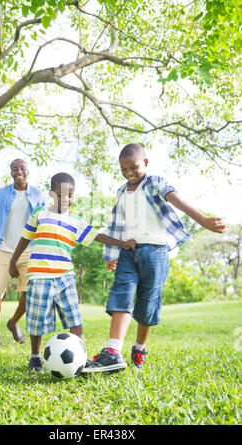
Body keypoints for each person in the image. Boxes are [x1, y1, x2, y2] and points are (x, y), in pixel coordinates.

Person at [83, 143, 226, 373]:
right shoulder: (121, 192)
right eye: (123, 170)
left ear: (145, 164)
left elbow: (177, 200)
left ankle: (139, 348)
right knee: (122, 293)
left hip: (156, 252)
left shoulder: (156, 182)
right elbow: (115, 225)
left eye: (134, 167)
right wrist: (111, 255)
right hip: (129, 251)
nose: (129, 173)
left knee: (148, 303)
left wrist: (202, 220)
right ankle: (112, 351)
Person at [9, 172, 136, 373]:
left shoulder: (76, 221)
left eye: (71, 195)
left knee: (74, 319)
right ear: (51, 194)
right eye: (61, 195)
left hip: (65, 277)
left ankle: (81, 359)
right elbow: (25, 238)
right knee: (37, 321)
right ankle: (35, 357)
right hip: (39, 276)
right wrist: (13, 260)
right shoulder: (40, 214)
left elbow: (98, 236)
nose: (67, 199)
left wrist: (122, 244)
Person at [0, 159, 46, 346]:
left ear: (28, 171)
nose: (19, 172)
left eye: (22, 168)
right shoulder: (0, 194)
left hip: (29, 251)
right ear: (11, 173)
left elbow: (47, 221)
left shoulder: (39, 195)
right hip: (2, 249)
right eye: (15, 169)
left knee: (29, 292)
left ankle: (13, 322)